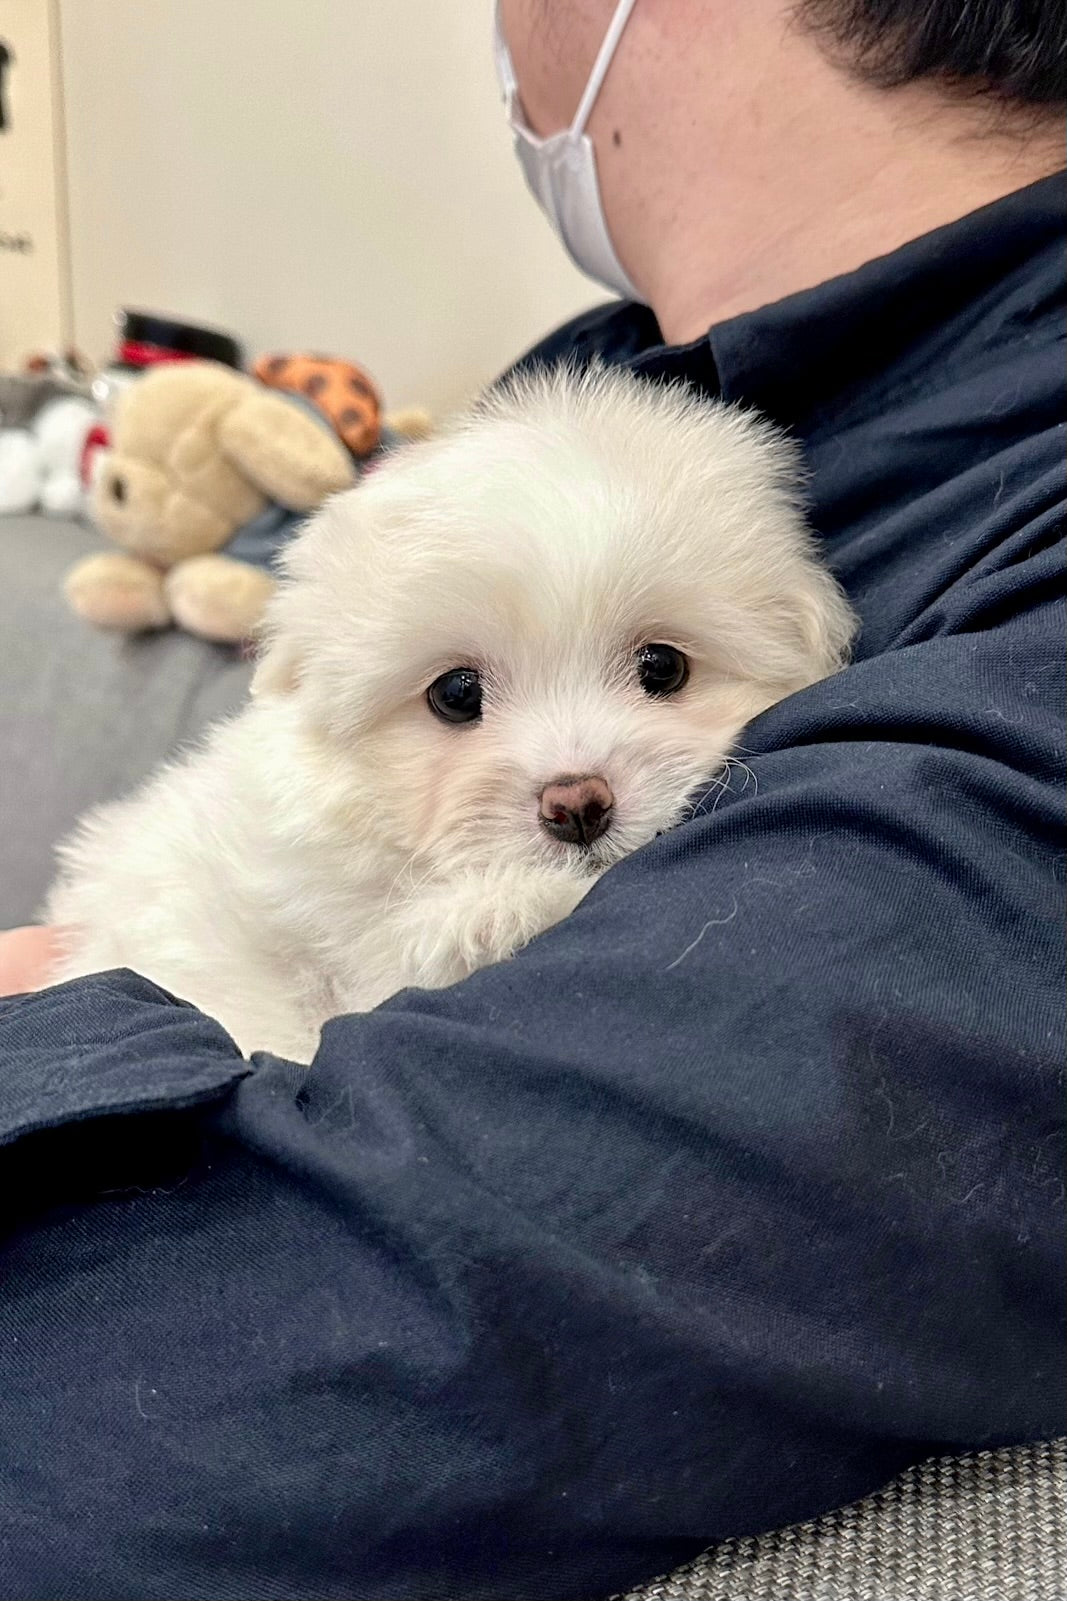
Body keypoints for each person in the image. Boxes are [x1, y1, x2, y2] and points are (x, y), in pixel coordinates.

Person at [1, 1, 1063, 1595]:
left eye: (657, 670)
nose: (574, 781)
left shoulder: (1010, 601)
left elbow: (223, 1373)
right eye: (463, 700)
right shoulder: (607, 385)